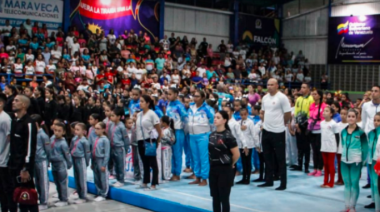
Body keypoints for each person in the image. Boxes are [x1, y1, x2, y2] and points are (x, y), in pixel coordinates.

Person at [258, 78, 291, 190]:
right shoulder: (265, 98)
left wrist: (283, 123)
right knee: (267, 157)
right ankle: (269, 180)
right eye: (268, 84)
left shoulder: (282, 97)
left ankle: (283, 183)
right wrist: (264, 121)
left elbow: (288, 113)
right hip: (266, 130)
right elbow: (263, 112)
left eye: (272, 84)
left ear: (277, 85)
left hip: (278, 131)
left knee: (280, 159)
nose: (269, 86)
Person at [8, 94, 38, 212]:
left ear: (24, 105)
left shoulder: (29, 123)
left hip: (23, 168)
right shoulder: (15, 121)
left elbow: (30, 148)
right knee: (16, 196)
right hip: (13, 165)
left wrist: (26, 168)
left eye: (16, 101)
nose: (13, 102)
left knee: (28, 197)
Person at [208, 110, 240, 212]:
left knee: (224, 198)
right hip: (213, 169)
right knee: (215, 198)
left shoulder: (228, 136)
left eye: (218, 118)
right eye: (215, 117)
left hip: (225, 170)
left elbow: (236, 154)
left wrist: (231, 163)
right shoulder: (211, 135)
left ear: (224, 120)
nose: (215, 119)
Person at [340, 109, 368, 212]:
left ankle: (353, 206)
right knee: (347, 184)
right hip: (344, 161)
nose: (351, 118)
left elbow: (365, 148)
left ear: (356, 118)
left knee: (354, 183)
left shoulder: (361, 132)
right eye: (349, 116)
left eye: (353, 116)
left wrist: (362, 161)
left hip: (356, 161)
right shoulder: (343, 131)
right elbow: (343, 145)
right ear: (346, 118)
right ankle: (347, 206)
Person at [188, 90, 215, 186]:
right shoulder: (191, 107)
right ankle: (197, 176)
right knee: (195, 158)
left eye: (197, 96)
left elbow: (213, 122)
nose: (195, 98)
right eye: (194, 96)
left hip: (203, 135)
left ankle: (204, 178)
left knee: (203, 157)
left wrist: (212, 134)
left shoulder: (208, 109)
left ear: (203, 97)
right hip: (192, 135)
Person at [135, 95, 162, 190]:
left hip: (149, 140)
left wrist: (158, 140)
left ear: (148, 103)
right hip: (140, 140)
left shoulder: (152, 114)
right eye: (140, 101)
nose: (140, 103)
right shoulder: (139, 115)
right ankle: (145, 181)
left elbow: (158, 129)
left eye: (142, 101)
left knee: (152, 162)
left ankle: (154, 183)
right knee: (144, 162)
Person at [166, 88, 188, 181]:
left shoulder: (180, 106)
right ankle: (172, 172)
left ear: (176, 94)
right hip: (170, 130)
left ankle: (177, 173)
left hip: (178, 131)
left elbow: (185, 118)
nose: (168, 96)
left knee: (177, 153)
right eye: (168, 94)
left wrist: (183, 129)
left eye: (170, 94)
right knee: (171, 153)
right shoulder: (169, 104)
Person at [50, 122, 72, 207]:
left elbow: (67, 154)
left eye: (59, 131)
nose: (56, 132)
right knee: (57, 182)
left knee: (62, 182)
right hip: (53, 163)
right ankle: (60, 197)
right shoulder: (52, 138)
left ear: (63, 132)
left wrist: (69, 164)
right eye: (55, 130)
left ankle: (64, 199)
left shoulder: (63, 143)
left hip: (60, 164)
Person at [31, 114, 50, 211]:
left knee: (43, 181)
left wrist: (48, 160)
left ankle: (45, 201)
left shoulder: (43, 135)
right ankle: (40, 197)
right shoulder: (33, 134)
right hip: (34, 160)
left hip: (42, 160)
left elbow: (47, 149)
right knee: (37, 181)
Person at [293, 83, 314, 172]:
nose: (302, 89)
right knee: (299, 146)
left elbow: (311, 113)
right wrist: (297, 124)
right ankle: (299, 164)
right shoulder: (298, 99)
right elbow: (296, 112)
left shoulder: (311, 99)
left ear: (308, 89)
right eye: (301, 87)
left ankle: (306, 166)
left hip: (307, 125)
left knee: (306, 147)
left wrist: (304, 124)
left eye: (304, 87)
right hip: (298, 125)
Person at [108, 108, 130, 187]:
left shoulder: (122, 126)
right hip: (113, 146)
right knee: (115, 164)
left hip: (120, 148)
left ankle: (121, 180)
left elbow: (126, 139)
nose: (111, 117)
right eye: (111, 115)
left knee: (120, 164)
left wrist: (126, 149)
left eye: (113, 116)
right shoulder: (111, 124)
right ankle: (117, 178)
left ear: (119, 117)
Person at [70, 122, 90, 204]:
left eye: (78, 130)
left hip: (81, 159)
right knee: (77, 177)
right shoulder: (74, 139)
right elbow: (71, 148)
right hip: (74, 159)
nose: (76, 131)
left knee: (82, 178)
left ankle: (84, 196)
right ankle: (79, 194)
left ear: (83, 131)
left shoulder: (84, 141)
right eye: (75, 129)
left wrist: (87, 162)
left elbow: (87, 153)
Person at [307, 90, 326, 177]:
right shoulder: (311, 105)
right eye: (313, 94)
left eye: (315, 94)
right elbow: (310, 116)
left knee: (319, 150)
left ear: (320, 96)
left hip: (320, 130)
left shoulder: (324, 106)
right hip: (312, 130)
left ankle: (320, 169)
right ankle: (315, 169)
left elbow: (325, 118)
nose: (313, 96)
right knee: (314, 150)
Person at [320, 106, 339, 188]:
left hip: (331, 147)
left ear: (331, 114)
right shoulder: (321, 123)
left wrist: (336, 147)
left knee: (331, 165)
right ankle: (325, 181)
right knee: (325, 164)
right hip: (324, 147)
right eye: (324, 111)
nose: (324, 112)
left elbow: (337, 136)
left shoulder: (334, 124)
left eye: (327, 111)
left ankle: (331, 183)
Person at [91, 122, 110, 202]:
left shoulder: (105, 140)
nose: (96, 130)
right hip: (95, 160)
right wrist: (92, 162)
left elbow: (107, 153)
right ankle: (98, 192)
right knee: (96, 178)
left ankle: (104, 194)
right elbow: (93, 150)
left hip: (101, 160)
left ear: (103, 129)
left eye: (98, 129)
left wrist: (104, 164)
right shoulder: (95, 138)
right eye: (95, 128)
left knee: (103, 178)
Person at [237, 108, 255, 184]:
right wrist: (240, 129)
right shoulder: (238, 122)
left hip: (248, 145)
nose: (243, 116)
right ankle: (244, 177)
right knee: (243, 162)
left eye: (245, 114)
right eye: (241, 115)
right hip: (241, 145)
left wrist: (255, 144)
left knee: (248, 161)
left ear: (247, 114)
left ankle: (248, 178)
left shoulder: (250, 122)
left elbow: (253, 133)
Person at [0, 93, 11, 212]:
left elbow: (9, 138)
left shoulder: (5, 119)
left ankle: (6, 208)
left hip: (3, 159)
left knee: (5, 188)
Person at [368, 112, 380, 212]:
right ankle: (374, 201)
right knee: (372, 182)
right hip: (371, 161)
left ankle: (378, 207)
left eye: (378, 121)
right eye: (375, 120)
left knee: (377, 184)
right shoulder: (371, 133)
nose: (376, 122)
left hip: (378, 162)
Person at [160, 116, 175, 181]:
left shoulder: (169, 130)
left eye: (161, 121)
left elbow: (172, 141)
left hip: (167, 149)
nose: (160, 123)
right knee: (162, 163)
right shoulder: (162, 129)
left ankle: (167, 176)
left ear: (164, 123)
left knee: (166, 162)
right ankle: (163, 175)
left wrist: (164, 137)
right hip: (161, 149)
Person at [336, 108, 348, 185]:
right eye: (341, 113)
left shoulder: (350, 125)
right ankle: (339, 179)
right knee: (339, 165)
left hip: (346, 149)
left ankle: (344, 180)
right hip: (338, 148)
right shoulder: (337, 125)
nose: (343, 116)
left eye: (345, 114)